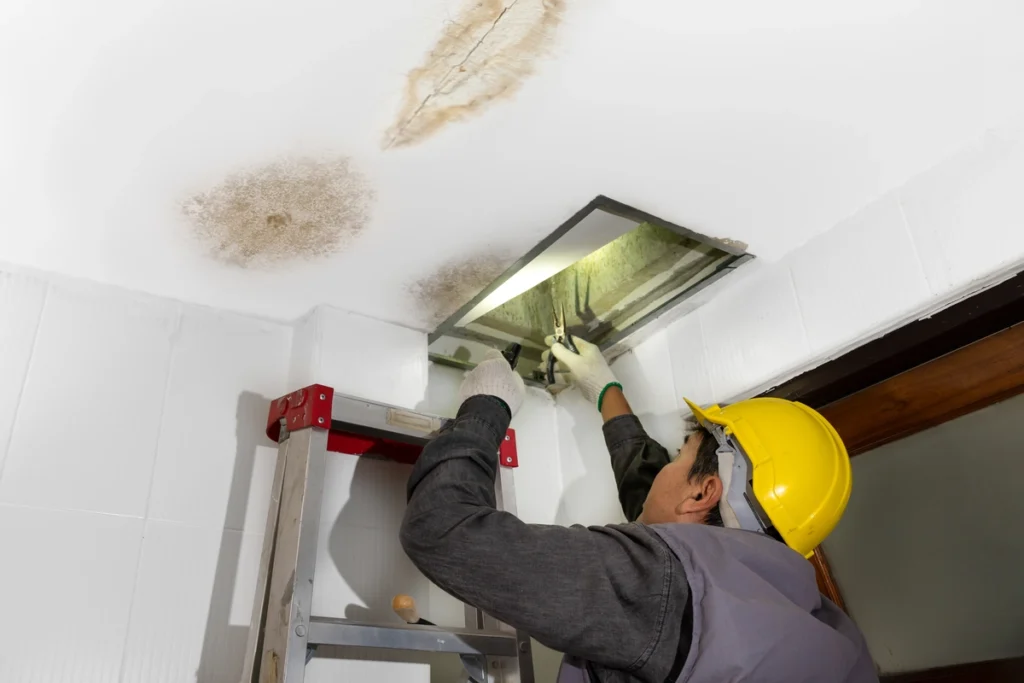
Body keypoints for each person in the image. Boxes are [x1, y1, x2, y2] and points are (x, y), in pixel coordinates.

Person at [400, 337, 878, 683]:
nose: (666, 466)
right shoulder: (811, 626)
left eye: (677, 456)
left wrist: (484, 408)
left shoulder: (661, 585)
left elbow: (442, 528)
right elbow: (667, 518)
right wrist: (607, 392)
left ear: (704, 493)